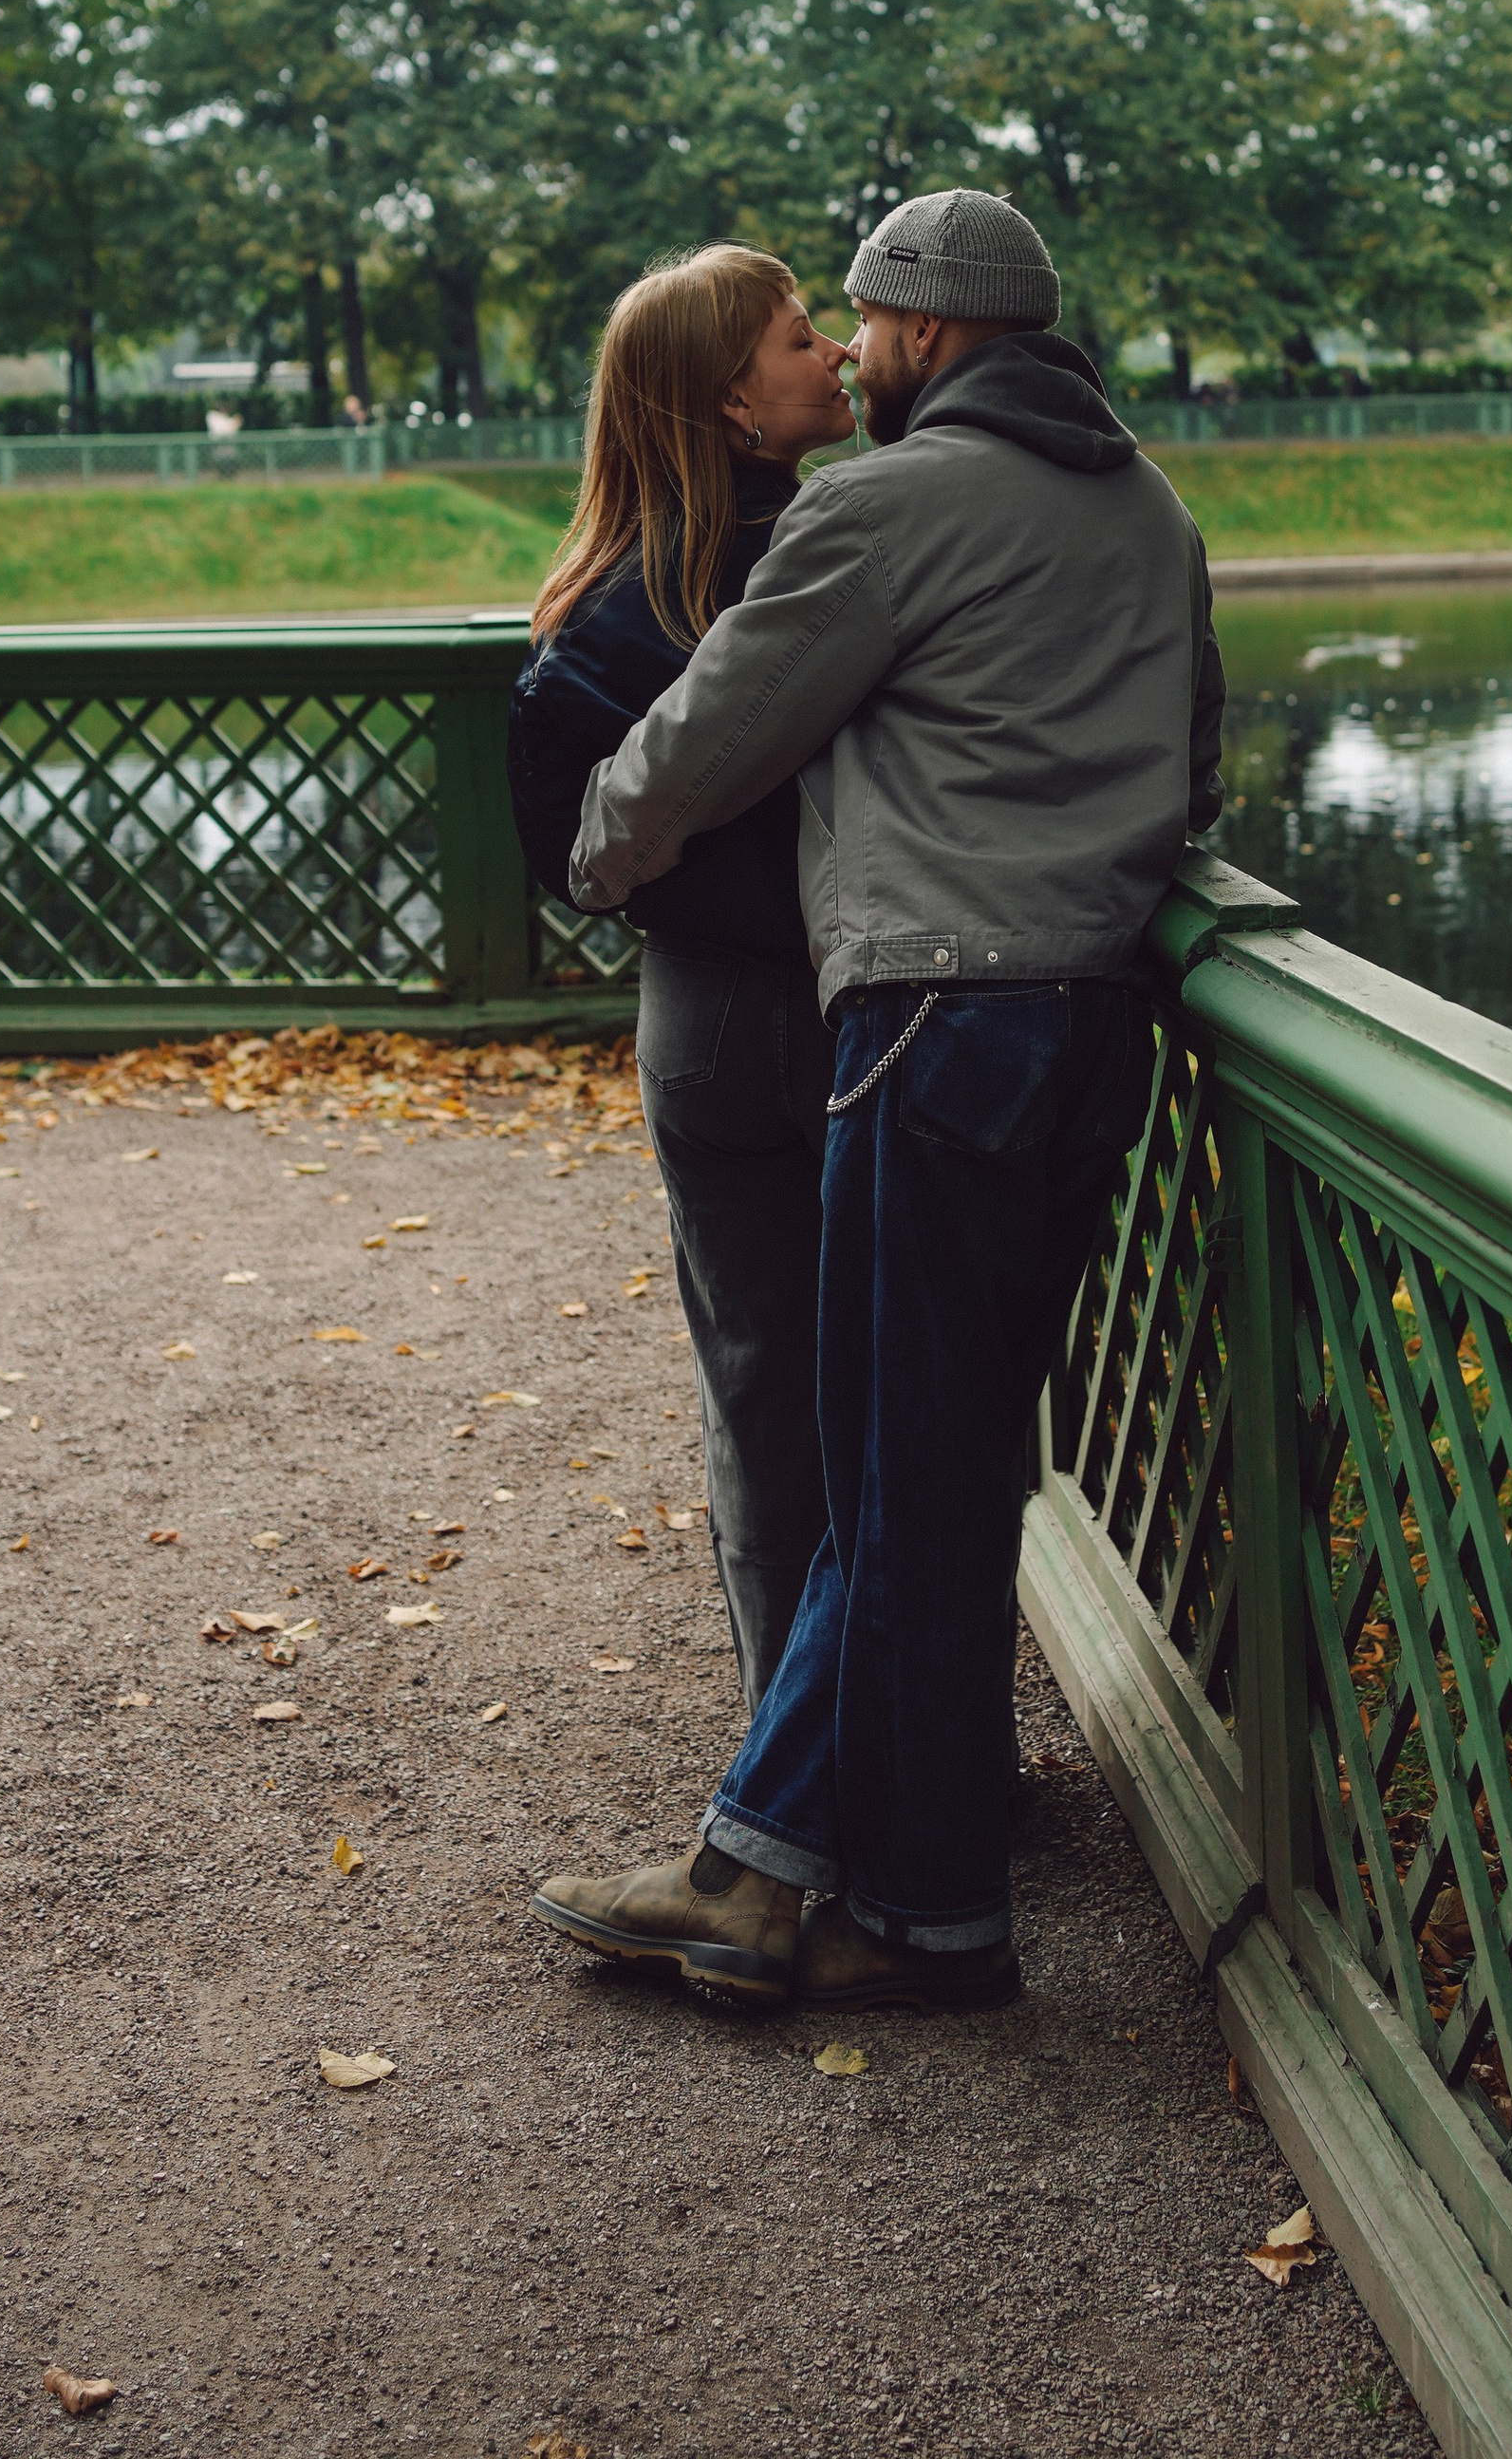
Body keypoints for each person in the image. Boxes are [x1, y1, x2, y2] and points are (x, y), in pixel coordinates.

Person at [531, 188, 1226, 2015]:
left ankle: (763, 1875)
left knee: (893, 1471)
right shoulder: (1153, 509)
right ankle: (923, 1908)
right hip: (1102, 1032)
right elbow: (1199, 756)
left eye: (862, 322)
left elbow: (714, 730)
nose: (849, 349)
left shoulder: (880, 503)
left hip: (934, 1028)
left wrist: (603, 854)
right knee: (955, 1450)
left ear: (924, 329)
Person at [505, 247, 855, 1710]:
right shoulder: (847, 558)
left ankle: (791, 1738)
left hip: (702, 1011)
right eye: (797, 338)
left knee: (761, 1390)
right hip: (867, 1008)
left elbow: (560, 844)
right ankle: (921, 1740)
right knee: (907, 1388)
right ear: (730, 398)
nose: (832, 349)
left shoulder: (599, 606)